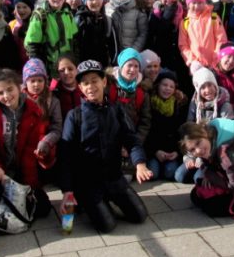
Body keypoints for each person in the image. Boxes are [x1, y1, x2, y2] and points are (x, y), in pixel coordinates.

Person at [57, 59, 153, 233]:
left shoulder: (116, 110)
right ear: (80, 88)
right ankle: (85, 202)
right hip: (88, 182)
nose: (90, 86)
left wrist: (140, 163)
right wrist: (67, 191)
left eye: (94, 81)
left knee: (140, 216)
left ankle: (109, 198)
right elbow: (66, 155)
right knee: (108, 226)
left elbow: (131, 139)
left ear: (104, 81)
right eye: (85, 83)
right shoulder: (74, 116)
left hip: (113, 177)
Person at [0, 69, 54, 219]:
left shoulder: (32, 110)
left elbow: (30, 152)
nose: (7, 96)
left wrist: (29, 185)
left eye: (10, 90)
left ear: (19, 87)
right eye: (1, 92)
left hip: (17, 171)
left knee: (43, 208)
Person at [24, 0, 79, 80]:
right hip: (49, 69)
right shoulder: (40, 15)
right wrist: (39, 68)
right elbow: (32, 45)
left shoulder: (68, 13)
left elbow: (75, 39)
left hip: (67, 68)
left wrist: (76, 60)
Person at [147, 0, 191, 96]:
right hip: (163, 57)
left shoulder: (183, 11)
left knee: (182, 89)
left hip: (180, 57)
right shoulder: (155, 14)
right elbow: (155, 34)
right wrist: (167, 15)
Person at [144, 69, 188, 180]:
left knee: (170, 173)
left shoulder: (178, 105)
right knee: (153, 174)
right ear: (158, 85)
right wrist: (155, 151)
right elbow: (146, 131)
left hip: (171, 151)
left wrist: (177, 152)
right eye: (164, 85)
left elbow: (181, 133)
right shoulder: (149, 102)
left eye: (171, 86)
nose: (167, 89)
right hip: (154, 150)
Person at [22, 58, 63, 174]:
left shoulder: (53, 101)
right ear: (26, 82)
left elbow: (57, 128)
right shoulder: (19, 100)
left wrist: (47, 141)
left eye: (40, 80)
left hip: (45, 143)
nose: (36, 84)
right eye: (32, 81)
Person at [179, 0, 228, 74]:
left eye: (200, 3)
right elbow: (183, 45)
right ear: (188, 4)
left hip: (215, 65)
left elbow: (221, 39)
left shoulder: (213, 17)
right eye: (193, 2)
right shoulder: (185, 22)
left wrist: (215, 59)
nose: (197, 6)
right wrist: (193, 61)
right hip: (197, 67)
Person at [74, 0, 117, 68]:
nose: (95, 2)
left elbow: (113, 46)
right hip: (83, 66)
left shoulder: (107, 20)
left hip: (102, 65)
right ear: (85, 1)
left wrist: (112, 64)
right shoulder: (79, 20)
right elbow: (74, 46)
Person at [9, 0, 37, 64]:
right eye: (18, 7)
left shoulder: (35, 23)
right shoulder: (11, 24)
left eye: (25, 7)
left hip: (31, 62)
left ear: (31, 8)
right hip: (16, 62)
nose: (21, 10)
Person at [53, 54, 84, 121]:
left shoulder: (84, 89)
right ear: (58, 73)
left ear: (77, 70)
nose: (66, 72)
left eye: (70, 69)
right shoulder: (54, 93)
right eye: (62, 70)